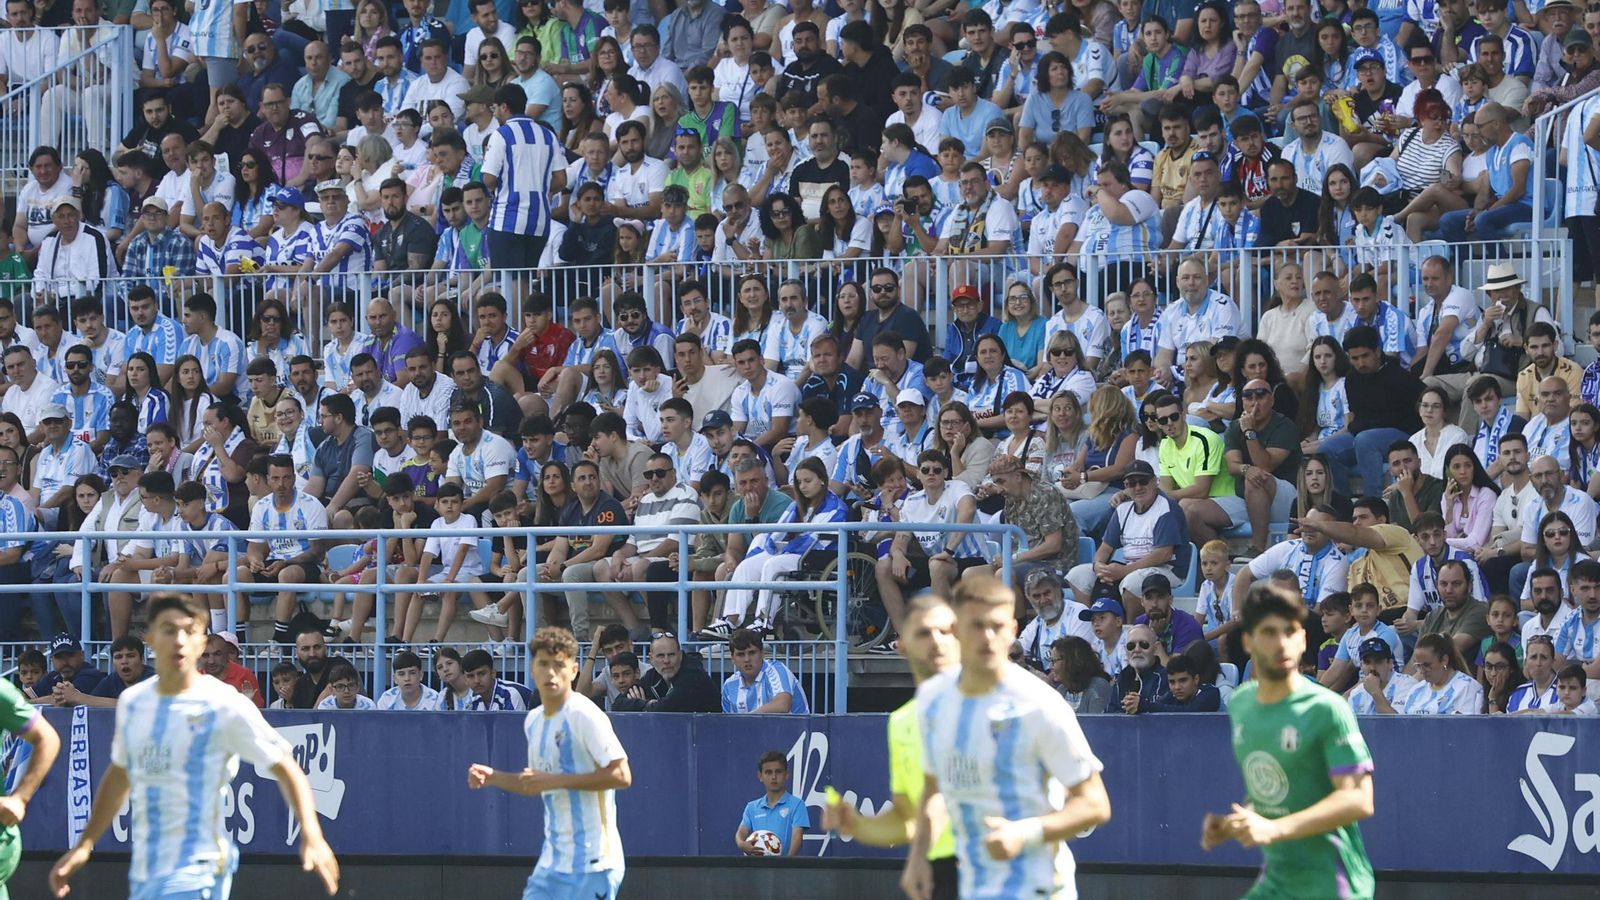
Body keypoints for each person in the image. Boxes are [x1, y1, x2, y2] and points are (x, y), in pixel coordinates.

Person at [48, 593, 339, 898]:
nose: (179, 640)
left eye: (189, 631)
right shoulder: (134, 703)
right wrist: (84, 845)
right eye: (168, 630)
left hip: (200, 867)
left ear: (202, 643)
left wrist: (312, 832)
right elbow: (121, 773)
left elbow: (285, 764)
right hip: (147, 868)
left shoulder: (223, 703)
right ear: (150, 639)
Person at [902, 575, 1111, 900]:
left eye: (995, 626)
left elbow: (1095, 804)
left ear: (1013, 631)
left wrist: (1025, 832)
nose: (986, 637)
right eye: (975, 625)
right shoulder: (933, 700)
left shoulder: (1041, 704)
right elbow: (933, 787)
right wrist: (918, 859)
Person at [1201, 583, 1375, 898]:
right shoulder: (1241, 704)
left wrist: (1275, 829)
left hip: (1332, 885)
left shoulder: (1326, 708)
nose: (1282, 643)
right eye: (1269, 632)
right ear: (1248, 641)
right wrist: (1237, 822)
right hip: (1277, 882)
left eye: (1290, 631)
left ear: (1303, 638)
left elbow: (1358, 800)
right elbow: (1278, 790)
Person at [467, 627, 630, 900]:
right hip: (552, 864)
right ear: (532, 669)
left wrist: (557, 781)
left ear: (574, 670)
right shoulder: (534, 721)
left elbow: (622, 774)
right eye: (544, 664)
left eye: (559, 665)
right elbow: (535, 783)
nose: (551, 673)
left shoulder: (584, 714)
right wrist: (494, 776)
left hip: (593, 861)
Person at [721, 628, 811, 714]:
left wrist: (747, 720)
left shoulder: (777, 670)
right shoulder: (729, 685)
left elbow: (782, 705)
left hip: (796, 729)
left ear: (762, 653)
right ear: (732, 658)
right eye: (741, 654)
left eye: (752, 653)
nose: (747, 659)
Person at [737, 750, 808, 856]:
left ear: (787, 774)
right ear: (760, 776)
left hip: (785, 870)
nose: (774, 777)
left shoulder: (797, 805)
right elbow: (741, 832)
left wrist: (785, 866)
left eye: (778, 771)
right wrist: (741, 844)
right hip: (758, 869)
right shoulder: (751, 807)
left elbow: (797, 838)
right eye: (768, 772)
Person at [1346, 635, 1419, 715]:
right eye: (1367, 662)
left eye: (1378, 662)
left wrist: (1375, 692)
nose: (1372, 668)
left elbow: (1399, 724)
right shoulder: (1356, 693)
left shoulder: (1407, 684)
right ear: (1361, 665)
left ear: (1390, 663)